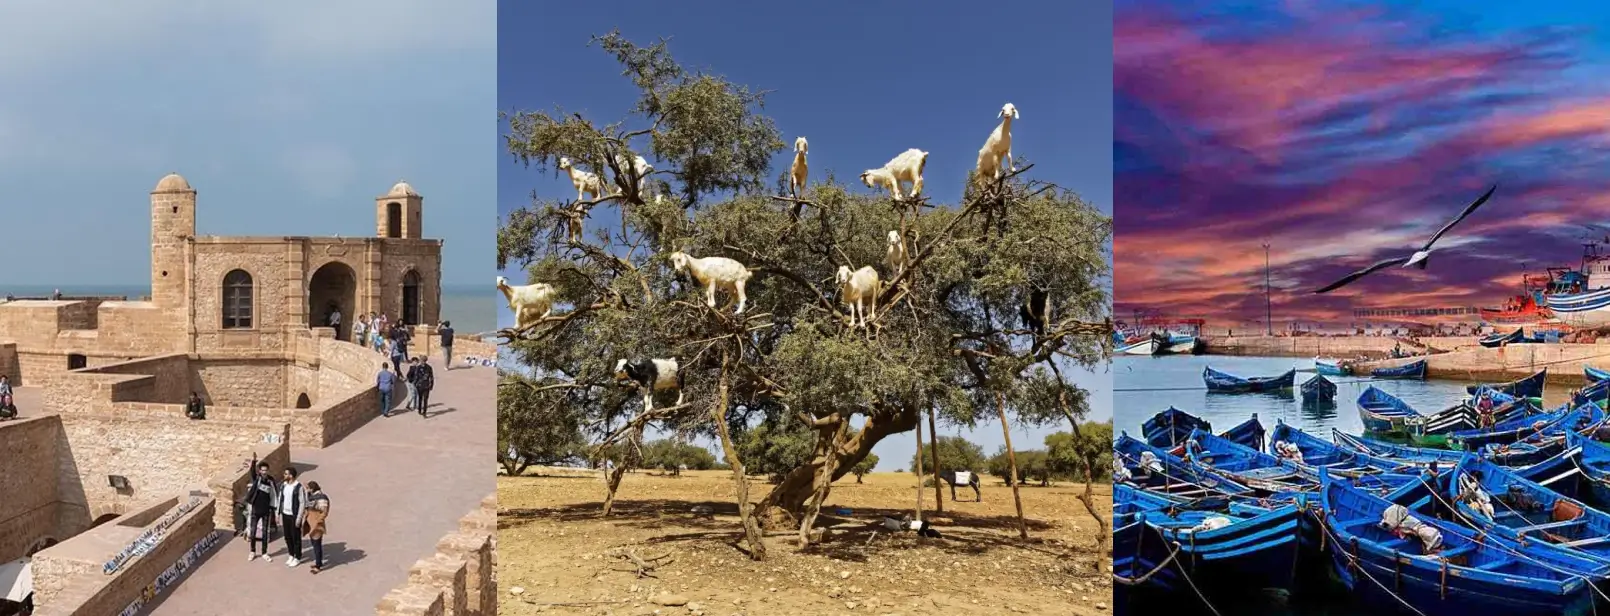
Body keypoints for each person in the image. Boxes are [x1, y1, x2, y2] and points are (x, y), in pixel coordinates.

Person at [244, 462, 279, 562]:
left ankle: (264, 552)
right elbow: (252, 472)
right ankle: (252, 551)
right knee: (253, 531)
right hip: (256, 509)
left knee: (265, 533)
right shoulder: (257, 479)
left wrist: (275, 509)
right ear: (259, 471)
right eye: (262, 470)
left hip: (266, 510)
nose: (264, 472)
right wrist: (254, 461)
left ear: (268, 470)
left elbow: (274, 495)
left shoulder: (270, 481)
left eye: (265, 470)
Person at [279, 467, 308, 567]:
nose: (284, 475)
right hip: (285, 514)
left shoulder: (298, 487)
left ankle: (297, 557)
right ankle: (291, 554)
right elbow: (281, 499)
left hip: (294, 515)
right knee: (287, 536)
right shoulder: (284, 485)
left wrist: (299, 517)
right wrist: (278, 512)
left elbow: (302, 502)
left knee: (296, 537)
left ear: (291, 475)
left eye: (286, 474)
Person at [303, 481, 330, 574]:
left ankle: (318, 566)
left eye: (308, 488)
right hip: (311, 523)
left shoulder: (321, 498)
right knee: (315, 545)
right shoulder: (312, 496)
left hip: (316, 524)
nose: (307, 490)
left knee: (317, 546)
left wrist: (318, 521)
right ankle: (318, 562)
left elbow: (324, 512)